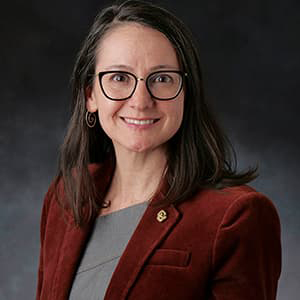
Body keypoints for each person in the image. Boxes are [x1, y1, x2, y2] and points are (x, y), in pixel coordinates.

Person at [36, 0, 281, 299]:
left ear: (186, 94)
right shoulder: (67, 194)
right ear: (90, 95)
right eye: (119, 77)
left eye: (162, 78)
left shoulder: (237, 216)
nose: (140, 100)